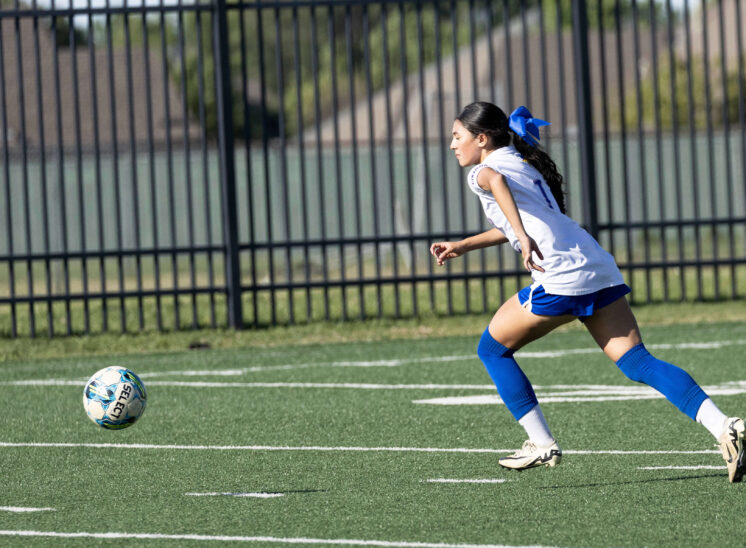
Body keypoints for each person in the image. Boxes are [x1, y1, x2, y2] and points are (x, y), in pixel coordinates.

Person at [429, 101, 745, 482]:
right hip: (595, 265)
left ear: (481, 139)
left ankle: (541, 443)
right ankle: (725, 426)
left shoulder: (483, 170)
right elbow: (518, 218)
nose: (452, 144)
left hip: (560, 276)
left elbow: (495, 183)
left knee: (492, 350)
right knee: (638, 362)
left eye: (457, 136)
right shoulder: (522, 161)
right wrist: (464, 245)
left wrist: (523, 238)